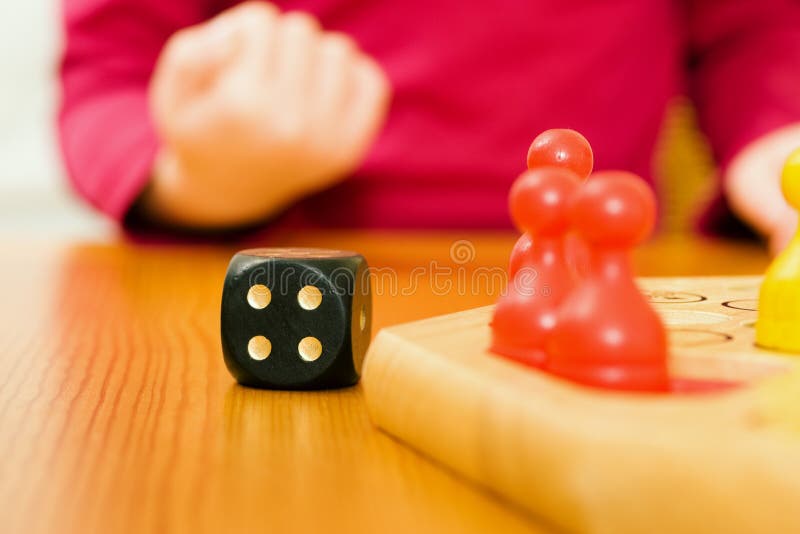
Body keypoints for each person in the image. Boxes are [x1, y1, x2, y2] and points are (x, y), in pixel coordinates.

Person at [59, 1, 800, 251]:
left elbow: (754, 34)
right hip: (238, 276)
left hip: (603, 283)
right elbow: (104, 79)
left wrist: (774, 132)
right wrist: (201, 181)